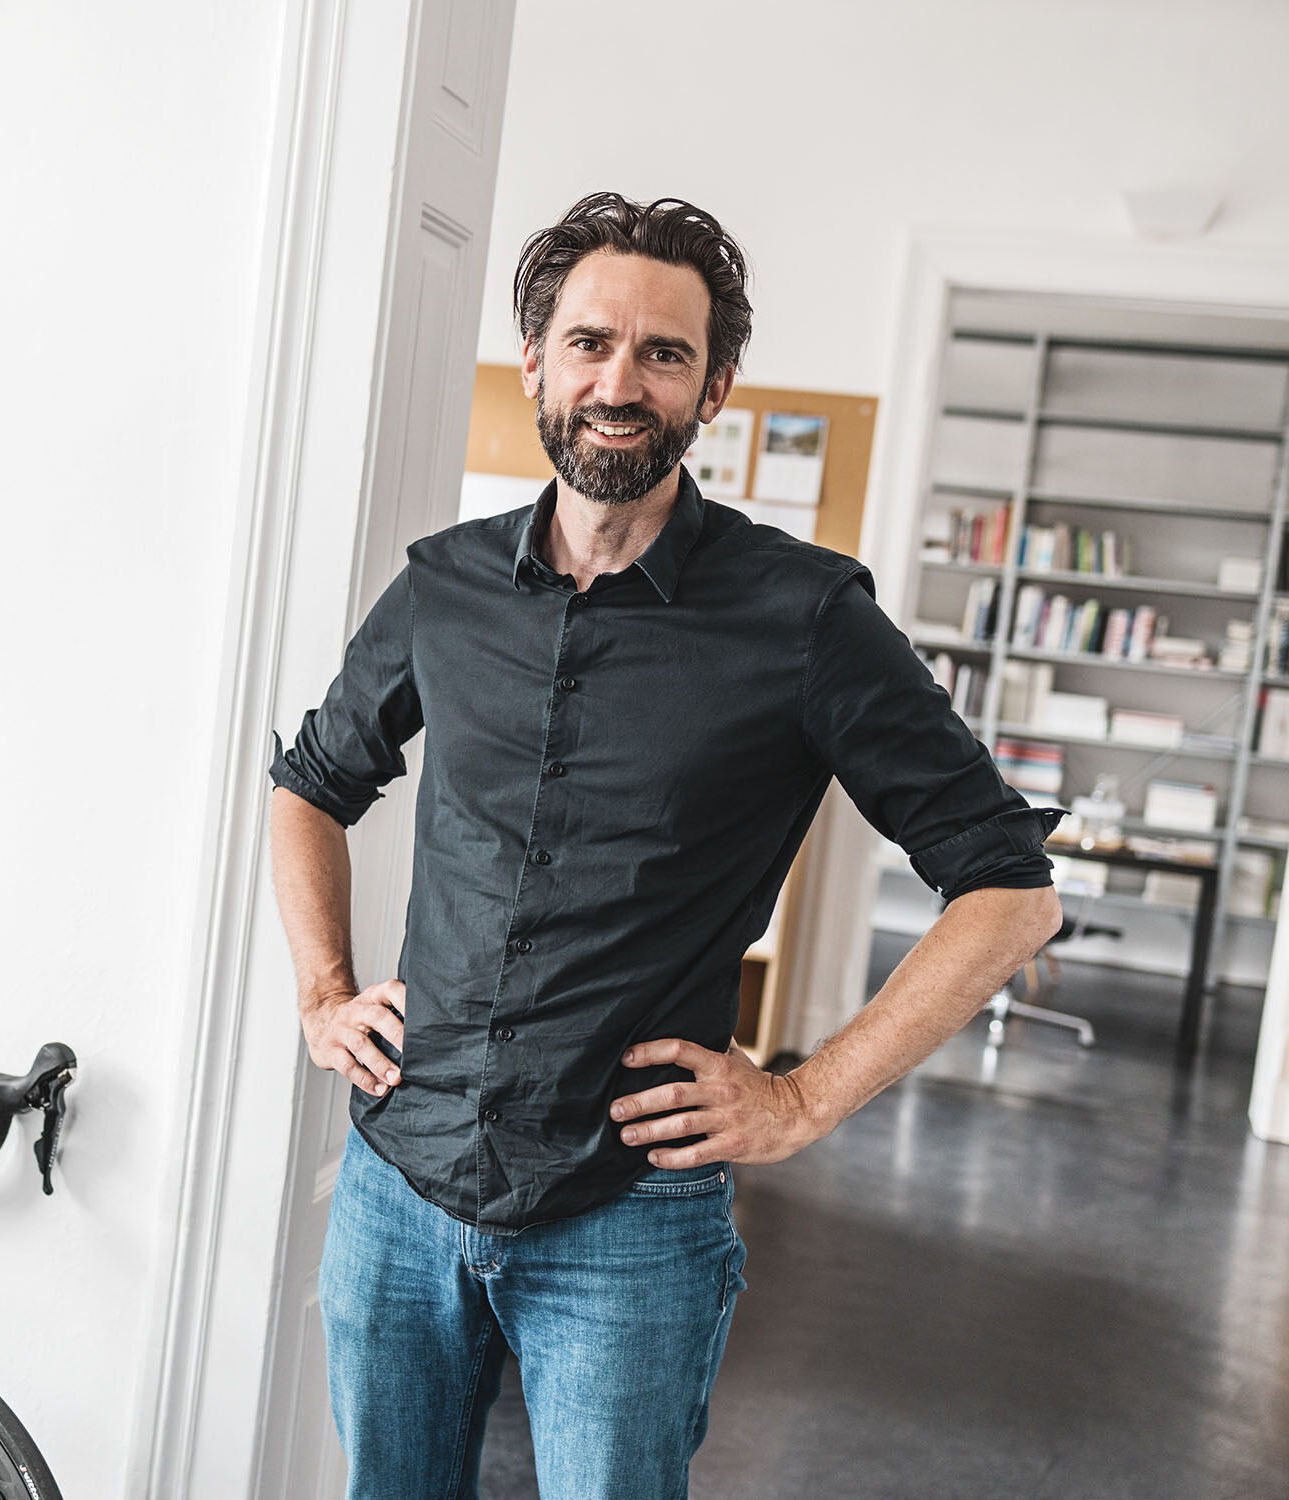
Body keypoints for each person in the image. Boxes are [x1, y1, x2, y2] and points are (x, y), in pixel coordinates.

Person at [267, 192, 1064, 1500]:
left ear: (717, 390)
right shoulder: (445, 584)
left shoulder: (806, 617)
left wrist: (807, 1096)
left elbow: (1008, 892)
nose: (618, 381)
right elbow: (310, 785)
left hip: (629, 1223)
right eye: (589, 343)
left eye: (664, 354)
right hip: (399, 1187)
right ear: (535, 361)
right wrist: (322, 992)